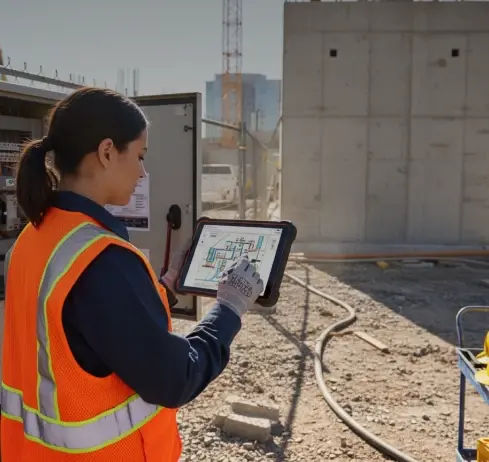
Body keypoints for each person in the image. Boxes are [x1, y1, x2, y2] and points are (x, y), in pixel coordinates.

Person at [0, 87, 264, 462]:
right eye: (139, 156)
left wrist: (164, 289)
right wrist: (230, 308)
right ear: (107, 152)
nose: (143, 172)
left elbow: (84, 332)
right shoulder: (100, 259)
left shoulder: (35, 238)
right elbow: (175, 379)